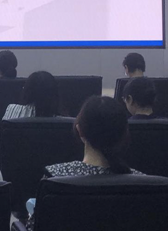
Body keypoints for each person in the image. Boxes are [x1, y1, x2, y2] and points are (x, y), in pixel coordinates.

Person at [26, 96, 142, 231]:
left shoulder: (54, 178)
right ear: (124, 133)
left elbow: (35, 227)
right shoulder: (144, 183)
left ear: (79, 130)